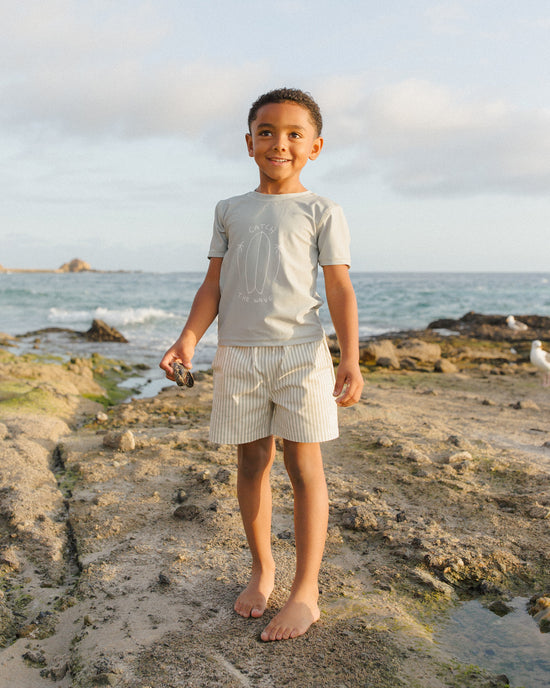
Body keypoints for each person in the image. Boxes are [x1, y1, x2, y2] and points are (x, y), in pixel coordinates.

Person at [160, 87, 364, 642]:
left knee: (304, 467)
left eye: (295, 134)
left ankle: (306, 592)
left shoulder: (323, 210)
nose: (280, 143)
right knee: (251, 462)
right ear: (249, 143)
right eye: (267, 132)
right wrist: (188, 339)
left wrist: (350, 357)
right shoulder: (229, 210)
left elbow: (339, 288)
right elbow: (214, 284)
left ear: (315, 147)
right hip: (239, 354)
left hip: (302, 355)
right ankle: (262, 569)